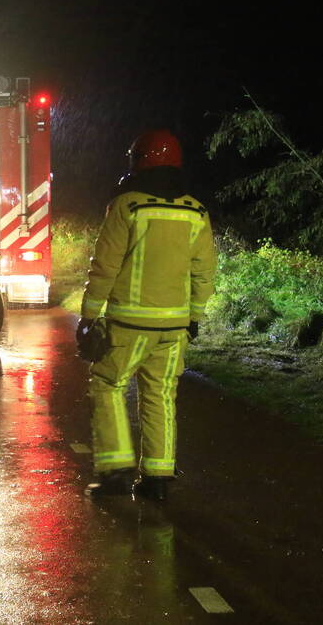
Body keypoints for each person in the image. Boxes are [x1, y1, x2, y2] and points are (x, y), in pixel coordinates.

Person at [78, 129, 217, 501]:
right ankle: (158, 479)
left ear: (137, 161)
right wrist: (195, 317)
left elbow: (104, 265)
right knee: (161, 396)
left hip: (129, 324)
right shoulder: (196, 211)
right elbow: (204, 271)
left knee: (107, 385)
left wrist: (89, 315)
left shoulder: (127, 206)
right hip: (174, 327)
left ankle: (116, 471)